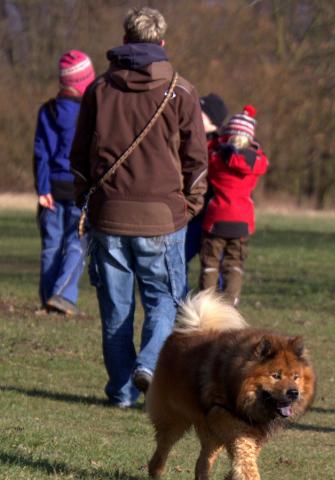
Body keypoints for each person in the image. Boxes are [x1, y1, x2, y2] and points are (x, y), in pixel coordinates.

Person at [70, 7, 207, 407]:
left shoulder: (98, 90)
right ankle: (148, 364)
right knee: (164, 302)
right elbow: (197, 160)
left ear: (125, 40)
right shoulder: (181, 91)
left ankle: (123, 391)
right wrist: (192, 205)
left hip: (109, 215)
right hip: (163, 218)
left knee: (116, 311)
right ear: (162, 43)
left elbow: (78, 155)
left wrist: (85, 197)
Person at [33, 50, 95, 315]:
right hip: (80, 189)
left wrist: (43, 188)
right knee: (77, 243)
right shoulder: (91, 113)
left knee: (51, 245)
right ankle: (62, 296)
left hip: (52, 190)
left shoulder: (47, 111)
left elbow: (41, 153)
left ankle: (48, 297)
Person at [200, 105, 269, 306]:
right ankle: (230, 304)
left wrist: (220, 142)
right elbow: (263, 161)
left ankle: (207, 303)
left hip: (216, 218)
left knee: (210, 264)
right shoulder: (256, 162)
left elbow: (207, 155)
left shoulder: (216, 158)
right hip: (242, 221)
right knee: (234, 265)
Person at [185, 93, 228, 276]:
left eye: (201, 112)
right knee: (177, 258)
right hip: (192, 215)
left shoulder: (223, 148)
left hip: (214, 216)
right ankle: (179, 299)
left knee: (213, 264)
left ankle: (217, 301)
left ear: (213, 120)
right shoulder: (187, 139)